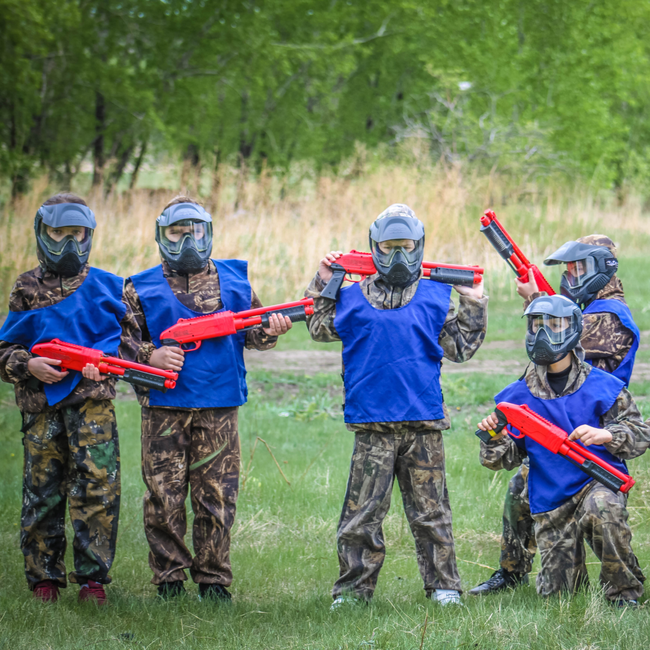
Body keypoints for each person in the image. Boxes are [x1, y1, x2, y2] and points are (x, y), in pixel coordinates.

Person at [305, 204, 488, 607]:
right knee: (361, 515)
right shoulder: (351, 295)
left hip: (423, 425)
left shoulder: (437, 295)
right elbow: (318, 327)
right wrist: (322, 279)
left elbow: (459, 348)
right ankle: (353, 592)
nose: (398, 257)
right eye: (388, 248)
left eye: (406, 247)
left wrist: (473, 303)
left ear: (419, 246)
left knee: (431, 513)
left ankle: (444, 587)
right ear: (374, 248)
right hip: (372, 426)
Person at [124, 196, 293, 601]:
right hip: (164, 409)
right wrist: (152, 355)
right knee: (163, 495)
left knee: (217, 494)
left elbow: (253, 334)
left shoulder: (235, 281)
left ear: (209, 233)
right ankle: (169, 580)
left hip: (219, 406)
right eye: (176, 233)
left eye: (194, 232)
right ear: (161, 236)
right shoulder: (139, 285)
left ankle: (214, 580)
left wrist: (272, 328)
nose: (186, 241)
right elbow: (119, 344)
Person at [470, 234, 641, 595]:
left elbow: (569, 345)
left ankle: (622, 589)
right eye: (569, 269)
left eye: (579, 268)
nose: (571, 276)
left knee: (599, 508)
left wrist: (536, 299)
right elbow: (499, 451)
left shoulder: (607, 316)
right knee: (521, 492)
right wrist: (495, 435)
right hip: (550, 446)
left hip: (594, 447)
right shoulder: (523, 389)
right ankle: (517, 571)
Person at [0, 193, 141, 604]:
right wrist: (30, 366)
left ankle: (92, 580)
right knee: (42, 491)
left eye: (76, 235)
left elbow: (133, 347)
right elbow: (5, 349)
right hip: (41, 411)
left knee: (98, 490)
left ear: (89, 235)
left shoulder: (109, 286)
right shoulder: (25, 288)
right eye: (57, 235)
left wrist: (109, 364)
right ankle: (43, 578)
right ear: (42, 234)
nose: (67, 245)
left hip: (93, 409)